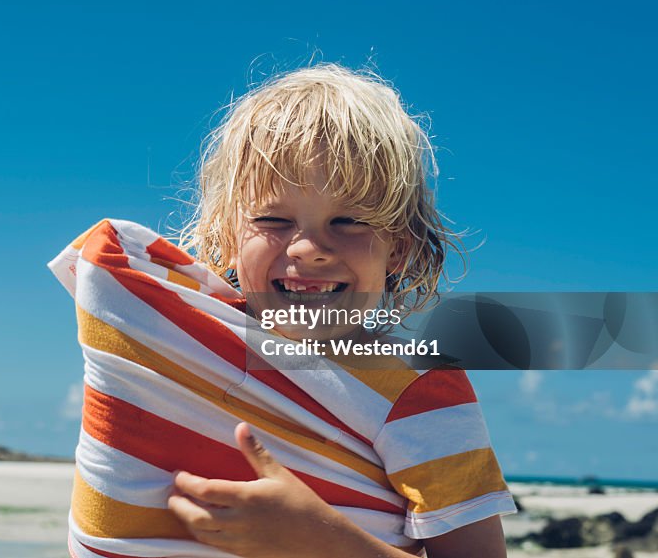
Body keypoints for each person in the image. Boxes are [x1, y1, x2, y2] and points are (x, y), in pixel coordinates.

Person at [50, 64, 515, 558]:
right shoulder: (168, 339)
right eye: (273, 219)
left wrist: (321, 542)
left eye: (350, 220)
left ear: (397, 249)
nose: (309, 248)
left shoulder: (419, 387)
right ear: (227, 238)